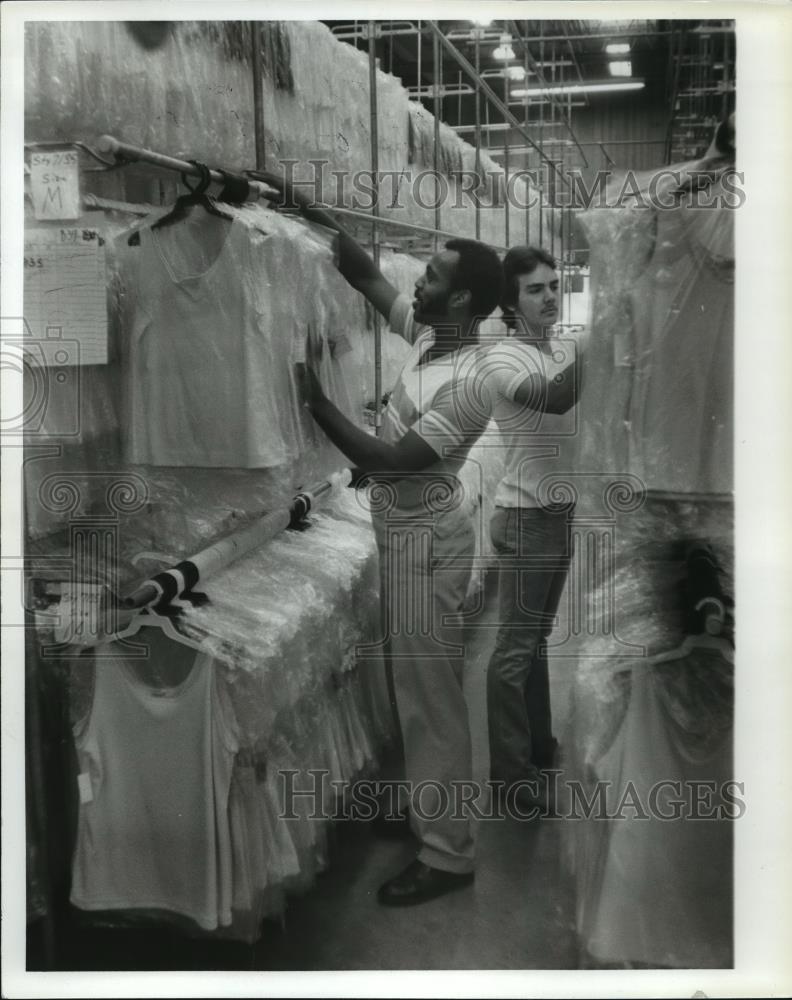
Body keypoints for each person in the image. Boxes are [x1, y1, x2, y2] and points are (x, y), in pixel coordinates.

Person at [264, 171, 504, 905]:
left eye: (431, 277)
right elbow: (364, 271)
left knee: (433, 698)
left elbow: (388, 459)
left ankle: (449, 853)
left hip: (427, 544)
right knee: (415, 685)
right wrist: (299, 205)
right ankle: (430, 807)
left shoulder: (471, 377)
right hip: (408, 536)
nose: (418, 283)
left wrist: (316, 404)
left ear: (460, 298)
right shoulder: (434, 338)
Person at [481, 246, 582, 812]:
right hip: (525, 518)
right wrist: (607, 337)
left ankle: (538, 748)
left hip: (557, 514)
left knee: (536, 642)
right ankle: (511, 780)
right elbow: (556, 396)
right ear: (510, 301)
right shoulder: (504, 358)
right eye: (535, 289)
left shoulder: (560, 346)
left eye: (553, 285)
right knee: (515, 651)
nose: (549, 296)